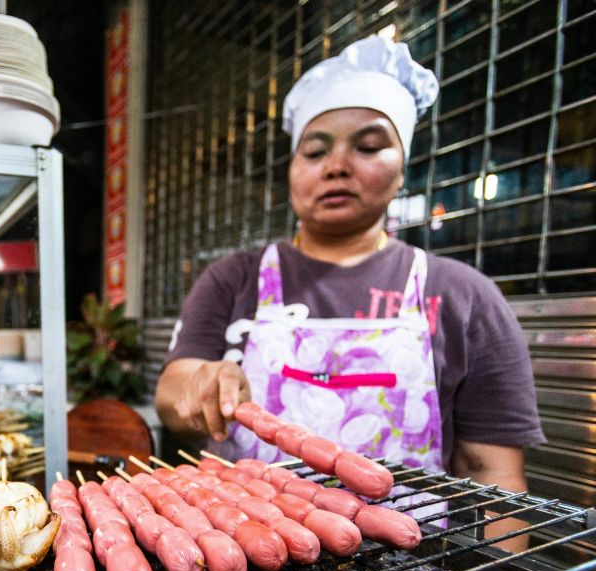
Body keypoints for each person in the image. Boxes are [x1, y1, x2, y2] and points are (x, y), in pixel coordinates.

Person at [155, 37, 542, 502]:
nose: (337, 165)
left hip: (415, 566)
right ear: (292, 171)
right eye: (315, 152)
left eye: (369, 146)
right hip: (248, 546)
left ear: (402, 169)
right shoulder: (233, 278)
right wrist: (198, 385)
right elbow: (172, 391)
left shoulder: (465, 296)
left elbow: (494, 474)